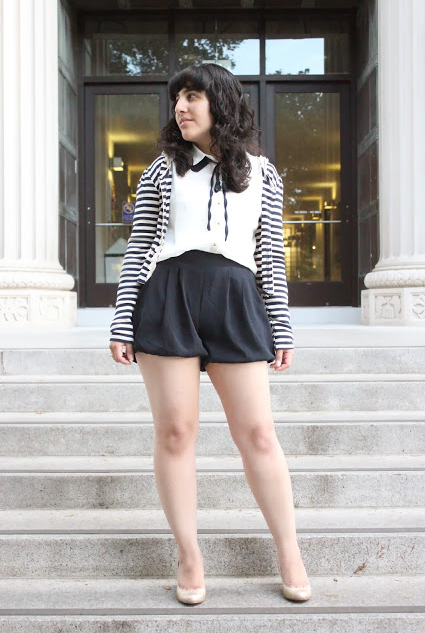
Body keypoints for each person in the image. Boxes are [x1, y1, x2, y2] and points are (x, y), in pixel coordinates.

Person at [109, 63, 311, 605]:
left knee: (259, 435)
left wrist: (281, 323)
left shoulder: (262, 173)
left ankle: (289, 550)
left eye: (193, 96)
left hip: (237, 297)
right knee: (176, 433)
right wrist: (122, 318)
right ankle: (189, 555)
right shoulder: (160, 170)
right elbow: (139, 248)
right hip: (170, 295)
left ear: (220, 102)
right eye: (177, 98)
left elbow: (270, 254)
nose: (181, 107)